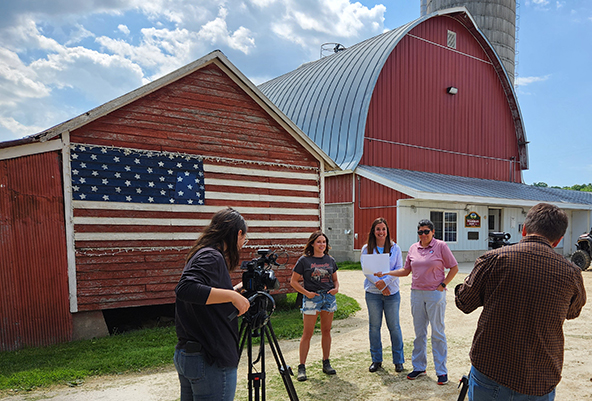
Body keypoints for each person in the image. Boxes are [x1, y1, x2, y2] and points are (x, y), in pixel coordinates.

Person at [455, 203, 587, 400]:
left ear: (524, 229)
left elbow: (464, 302)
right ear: (559, 239)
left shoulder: (493, 259)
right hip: (540, 375)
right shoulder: (572, 273)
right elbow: (573, 312)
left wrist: (467, 283)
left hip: (492, 369)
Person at [174, 208, 251, 401]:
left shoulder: (202, 253)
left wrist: (235, 292)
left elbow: (205, 299)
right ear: (238, 233)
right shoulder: (211, 256)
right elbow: (185, 289)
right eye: (244, 239)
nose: (243, 244)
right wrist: (233, 298)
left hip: (192, 354)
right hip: (210, 358)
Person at [375, 219, 458, 385]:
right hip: (417, 294)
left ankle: (441, 371)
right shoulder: (414, 248)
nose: (423, 235)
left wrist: (443, 285)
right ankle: (419, 367)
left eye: (426, 231)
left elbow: (454, 267)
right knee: (420, 333)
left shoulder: (441, 246)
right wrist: (385, 272)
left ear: (433, 232)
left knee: (437, 332)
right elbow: (406, 271)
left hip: (435, 294)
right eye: (420, 232)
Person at [290, 231, 340, 382]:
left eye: (324, 242)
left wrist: (336, 289)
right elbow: (293, 281)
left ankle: (326, 362)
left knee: (326, 331)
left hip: (328, 297)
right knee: (308, 333)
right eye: (319, 242)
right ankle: (302, 367)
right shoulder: (304, 261)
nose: (322, 245)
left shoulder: (330, 260)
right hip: (312, 298)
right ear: (312, 243)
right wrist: (307, 293)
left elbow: (335, 279)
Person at [361, 217, 405, 373]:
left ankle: (398, 361)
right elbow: (367, 271)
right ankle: (376, 360)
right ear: (374, 231)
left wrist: (385, 282)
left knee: (394, 327)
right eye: (378, 229)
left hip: (392, 293)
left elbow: (399, 268)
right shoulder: (366, 248)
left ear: (387, 231)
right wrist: (380, 286)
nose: (381, 232)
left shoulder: (395, 248)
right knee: (374, 327)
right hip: (373, 294)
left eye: (383, 229)